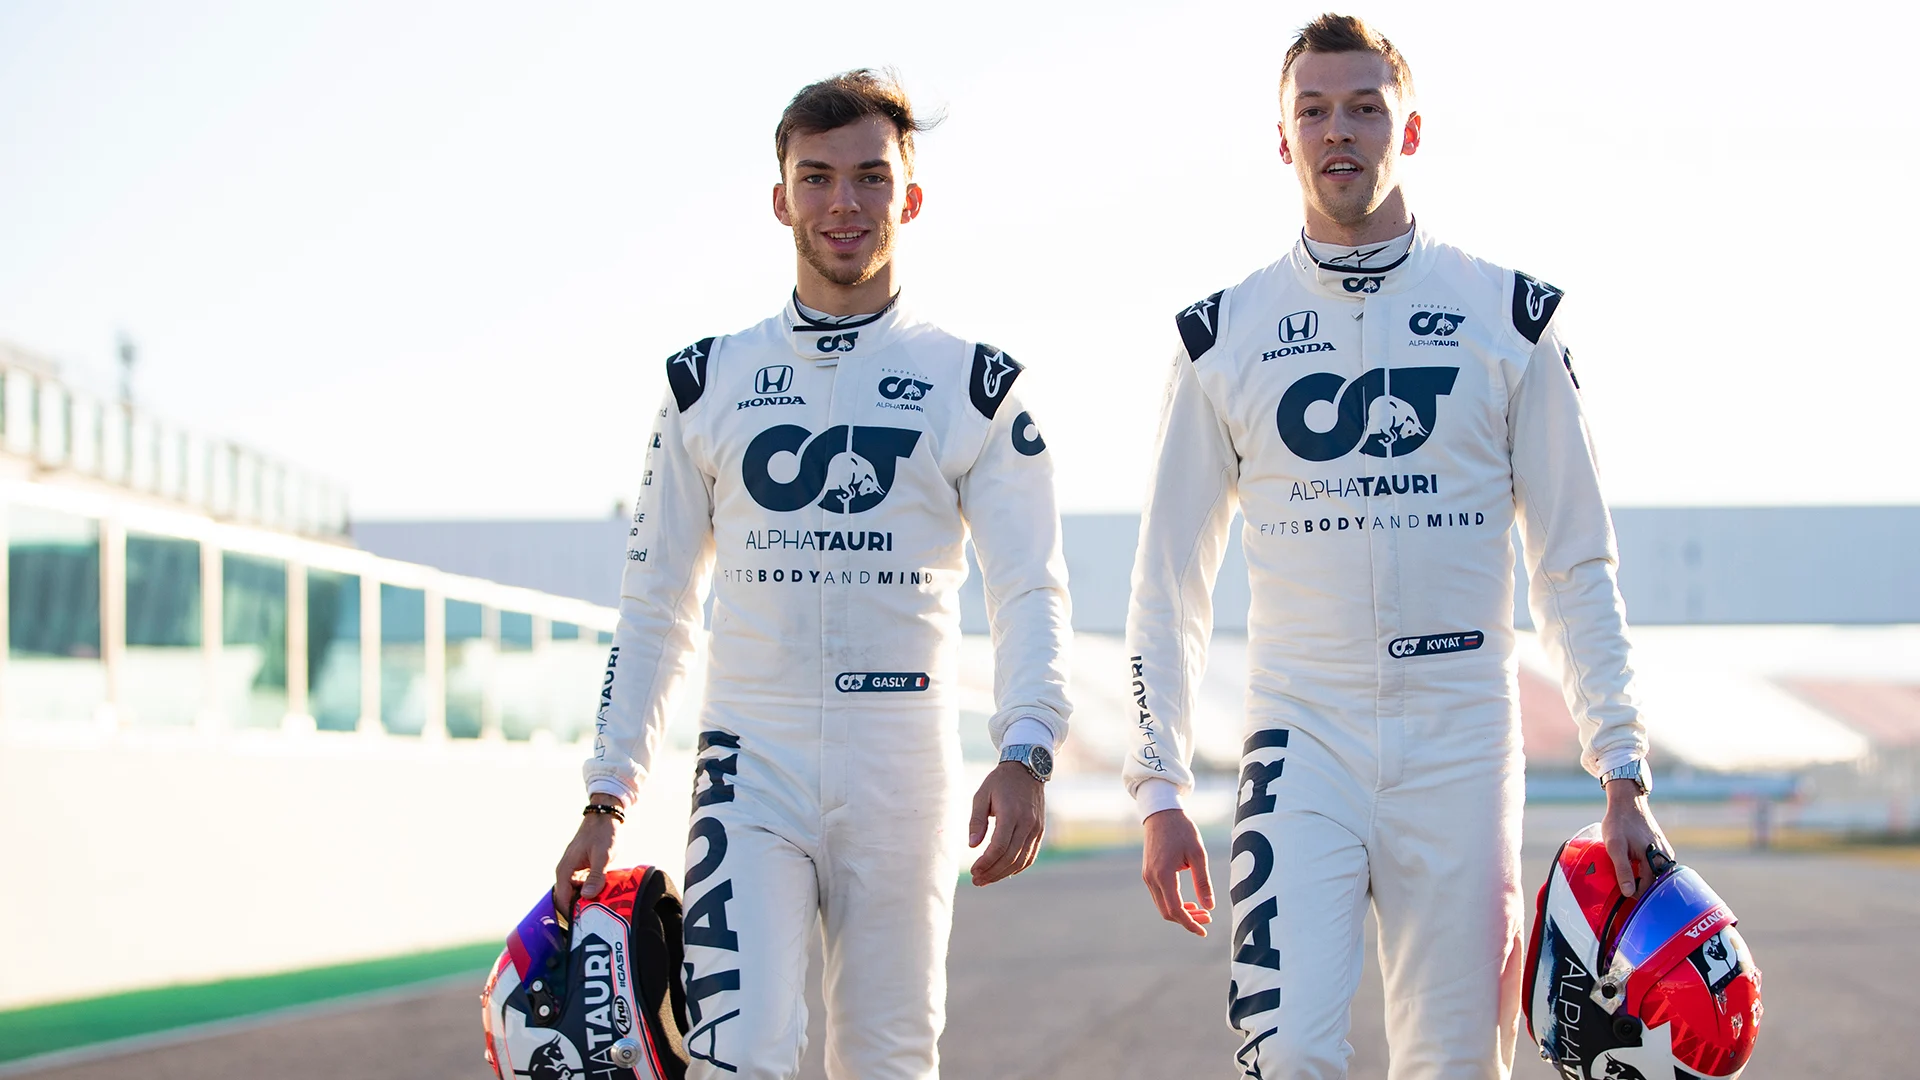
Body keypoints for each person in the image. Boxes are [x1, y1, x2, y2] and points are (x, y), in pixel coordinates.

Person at [1125, 15, 1668, 1079]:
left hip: (1462, 746)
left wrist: (1622, 768)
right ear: (1281, 139)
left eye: (1365, 107)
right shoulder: (1218, 337)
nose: (1341, 132)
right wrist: (1157, 786)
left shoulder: (1510, 320)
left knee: (1456, 1066)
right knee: (1286, 1057)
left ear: (1407, 128)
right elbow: (1168, 584)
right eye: (1314, 110)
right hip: (1300, 740)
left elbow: (1575, 564)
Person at [553, 70, 1072, 1080]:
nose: (844, 203)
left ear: (908, 198)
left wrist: (1028, 746)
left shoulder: (977, 383)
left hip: (903, 764)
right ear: (781, 196)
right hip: (752, 760)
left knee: (890, 1059)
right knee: (738, 1056)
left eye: (870, 177)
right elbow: (654, 603)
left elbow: (1030, 588)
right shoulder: (704, 382)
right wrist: (607, 794)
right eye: (818, 177)